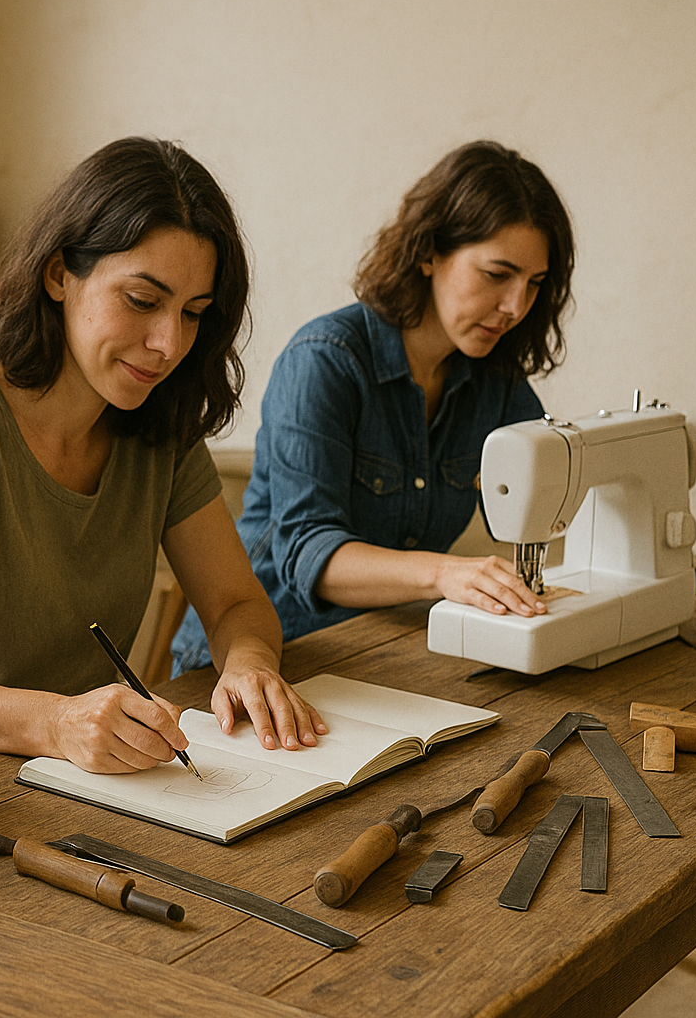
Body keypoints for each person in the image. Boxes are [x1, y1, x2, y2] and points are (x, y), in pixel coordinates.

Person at [0, 137, 325, 782]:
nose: (168, 343)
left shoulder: (161, 427)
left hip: (98, 780)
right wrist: (57, 722)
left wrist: (249, 663)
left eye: (193, 314)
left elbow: (236, 603)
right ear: (59, 275)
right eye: (142, 301)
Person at [172, 141, 574, 674]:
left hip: (380, 653)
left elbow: (543, 489)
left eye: (534, 284)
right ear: (429, 253)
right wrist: (444, 574)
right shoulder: (325, 362)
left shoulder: (495, 383)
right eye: (498, 275)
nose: (516, 307)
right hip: (259, 661)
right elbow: (308, 553)